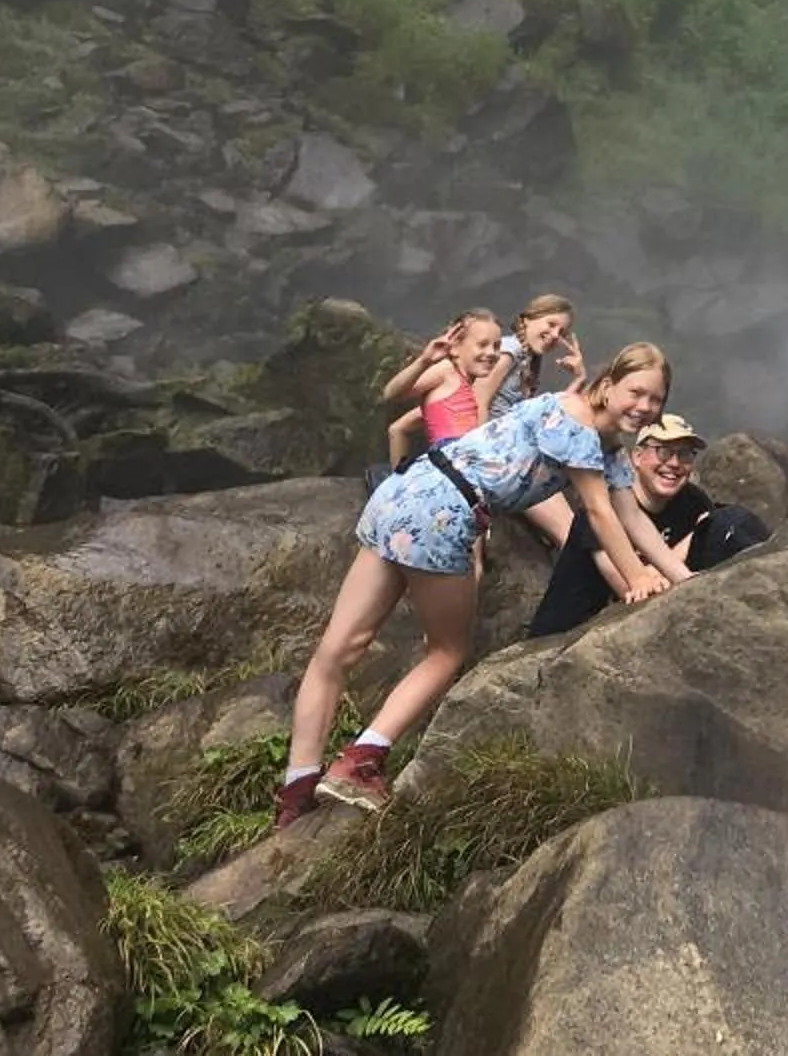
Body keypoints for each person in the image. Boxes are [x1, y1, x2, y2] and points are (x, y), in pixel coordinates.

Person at [276, 341, 682, 824]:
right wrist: (636, 577)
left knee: (337, 651)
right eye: (637, 392)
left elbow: (630, 516)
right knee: (446, 652)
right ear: (609, 385)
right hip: (443, 512)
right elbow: (596, 510)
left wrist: (683, 578)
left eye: (656, 399)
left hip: (403, 491)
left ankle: (296, 794)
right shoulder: (575, 419)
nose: (645, 406)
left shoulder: (606, 445)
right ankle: (360, 762)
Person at [523, 413, 768, 638]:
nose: (674, 463)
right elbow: (628, 589)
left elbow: (711, 534)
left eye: (685, 454)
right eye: (663, 451)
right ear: (637, 457)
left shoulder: (692, 501)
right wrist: (688, 543)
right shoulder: (602, 510)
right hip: (569, 639)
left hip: (659, 626)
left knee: (733, 523)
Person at [478, 294, 585, 547]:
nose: (555, 335)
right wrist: (481, 457)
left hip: (517, 452)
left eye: (562, 331)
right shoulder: (510, 350)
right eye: (550, 324)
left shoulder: (529, 360)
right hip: (503, 458)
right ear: (527, 319)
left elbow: (551, 413)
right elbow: (478, 399)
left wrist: (579, 378)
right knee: (569, 534)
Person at [378, 311, 503, 477]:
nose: (492, 352)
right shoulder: (446, 370)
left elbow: (398, 428)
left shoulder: (457, 392)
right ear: (455, 348)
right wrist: (424, 361)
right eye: (482, 345)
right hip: (451, 467)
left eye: (496, 346)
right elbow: (391, 393)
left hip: (462, 466)